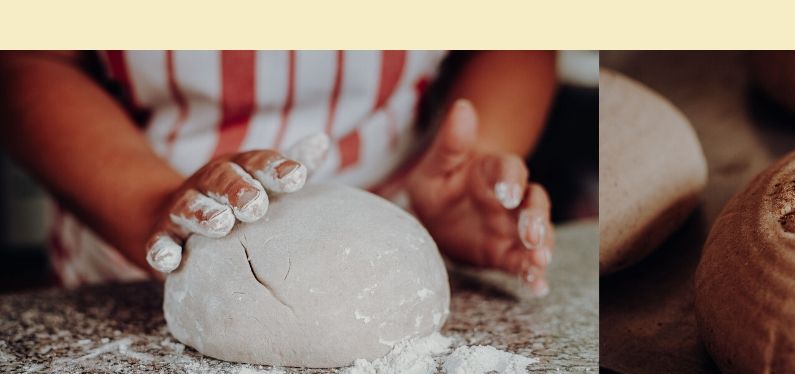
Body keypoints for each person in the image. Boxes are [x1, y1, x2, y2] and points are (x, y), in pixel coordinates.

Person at [0, 50, 557, 296]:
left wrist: (473, 159)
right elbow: (27, 57)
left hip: (399, 228)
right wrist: (150, 204)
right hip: (128, 245)